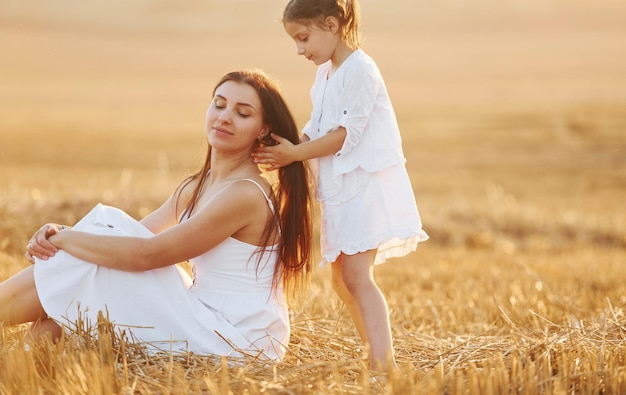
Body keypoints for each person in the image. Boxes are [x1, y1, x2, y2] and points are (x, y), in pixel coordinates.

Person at [0, 69, 312, 361]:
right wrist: (63, 232)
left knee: (85, 268)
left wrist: (67, 239)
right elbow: (129, 236)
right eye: (219, 105)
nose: (225, 118)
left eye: (242, 113)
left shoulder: (244, 194)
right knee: (81, 284)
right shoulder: (196, 186)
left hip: (237, 339)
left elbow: (148, 255)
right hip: (202, 314)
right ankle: (16, 372)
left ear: (264, 129)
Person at [252, 0, 428, 370]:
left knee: (357, 277)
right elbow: (316, 128)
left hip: (364, 186)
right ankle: (373, 353)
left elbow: (344, 135)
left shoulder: (361, 70)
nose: (300, 50)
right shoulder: (327, 73)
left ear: (331, 24)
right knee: (340, 281)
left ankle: (384, 362)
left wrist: (294, 156)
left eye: (303, 38)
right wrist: (284, 146)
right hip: (341, 190)